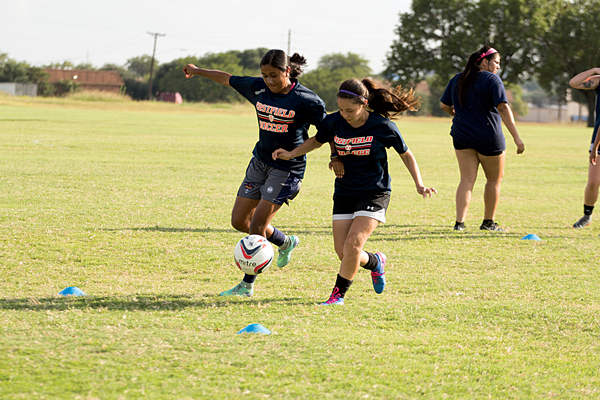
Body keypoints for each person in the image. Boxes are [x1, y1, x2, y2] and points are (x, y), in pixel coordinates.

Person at [273, 78, 436, 306]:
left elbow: (406, 154)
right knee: (344, 253)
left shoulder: (382, 126)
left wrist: (419, 184)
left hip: (374, 192)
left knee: (352, 246)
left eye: (349, 110)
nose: (345, 114)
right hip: (345, 192)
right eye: (340, 109)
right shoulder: (334, 122)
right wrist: (291, 153)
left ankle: (337, 296)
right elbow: (317, 141)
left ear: (364, 104)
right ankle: (375, 262)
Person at [182, 49, 327, 297]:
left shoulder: (307, 100)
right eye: (264, 75)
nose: (269, 80)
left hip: (287, 170)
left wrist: (294, 153)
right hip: (259, 163)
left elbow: (325, 135)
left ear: (287, 71)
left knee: (258, 226)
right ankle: (285, 241)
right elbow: (227, 78)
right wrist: (197, 71)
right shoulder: (257, 88)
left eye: (273, 75)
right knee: (240, 221)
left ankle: (246, 286)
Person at [440, 46, 525, 232]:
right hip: (489, 137)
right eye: (496, 62)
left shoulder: (458, 78)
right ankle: (488, 223)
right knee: (493, 180)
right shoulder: (492, 79)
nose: (497, 67)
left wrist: (456, 115)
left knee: (467, 180)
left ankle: (459, 223)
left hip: (462, 136)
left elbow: (444, 105)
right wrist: (517, 138)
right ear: (484, 61)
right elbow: (503, 107)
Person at [569, 68, 600, 228]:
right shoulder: (598, 80)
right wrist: (595, 70)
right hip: (598, 137)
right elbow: (574, 83)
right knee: (593, 181)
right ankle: (587, 215)